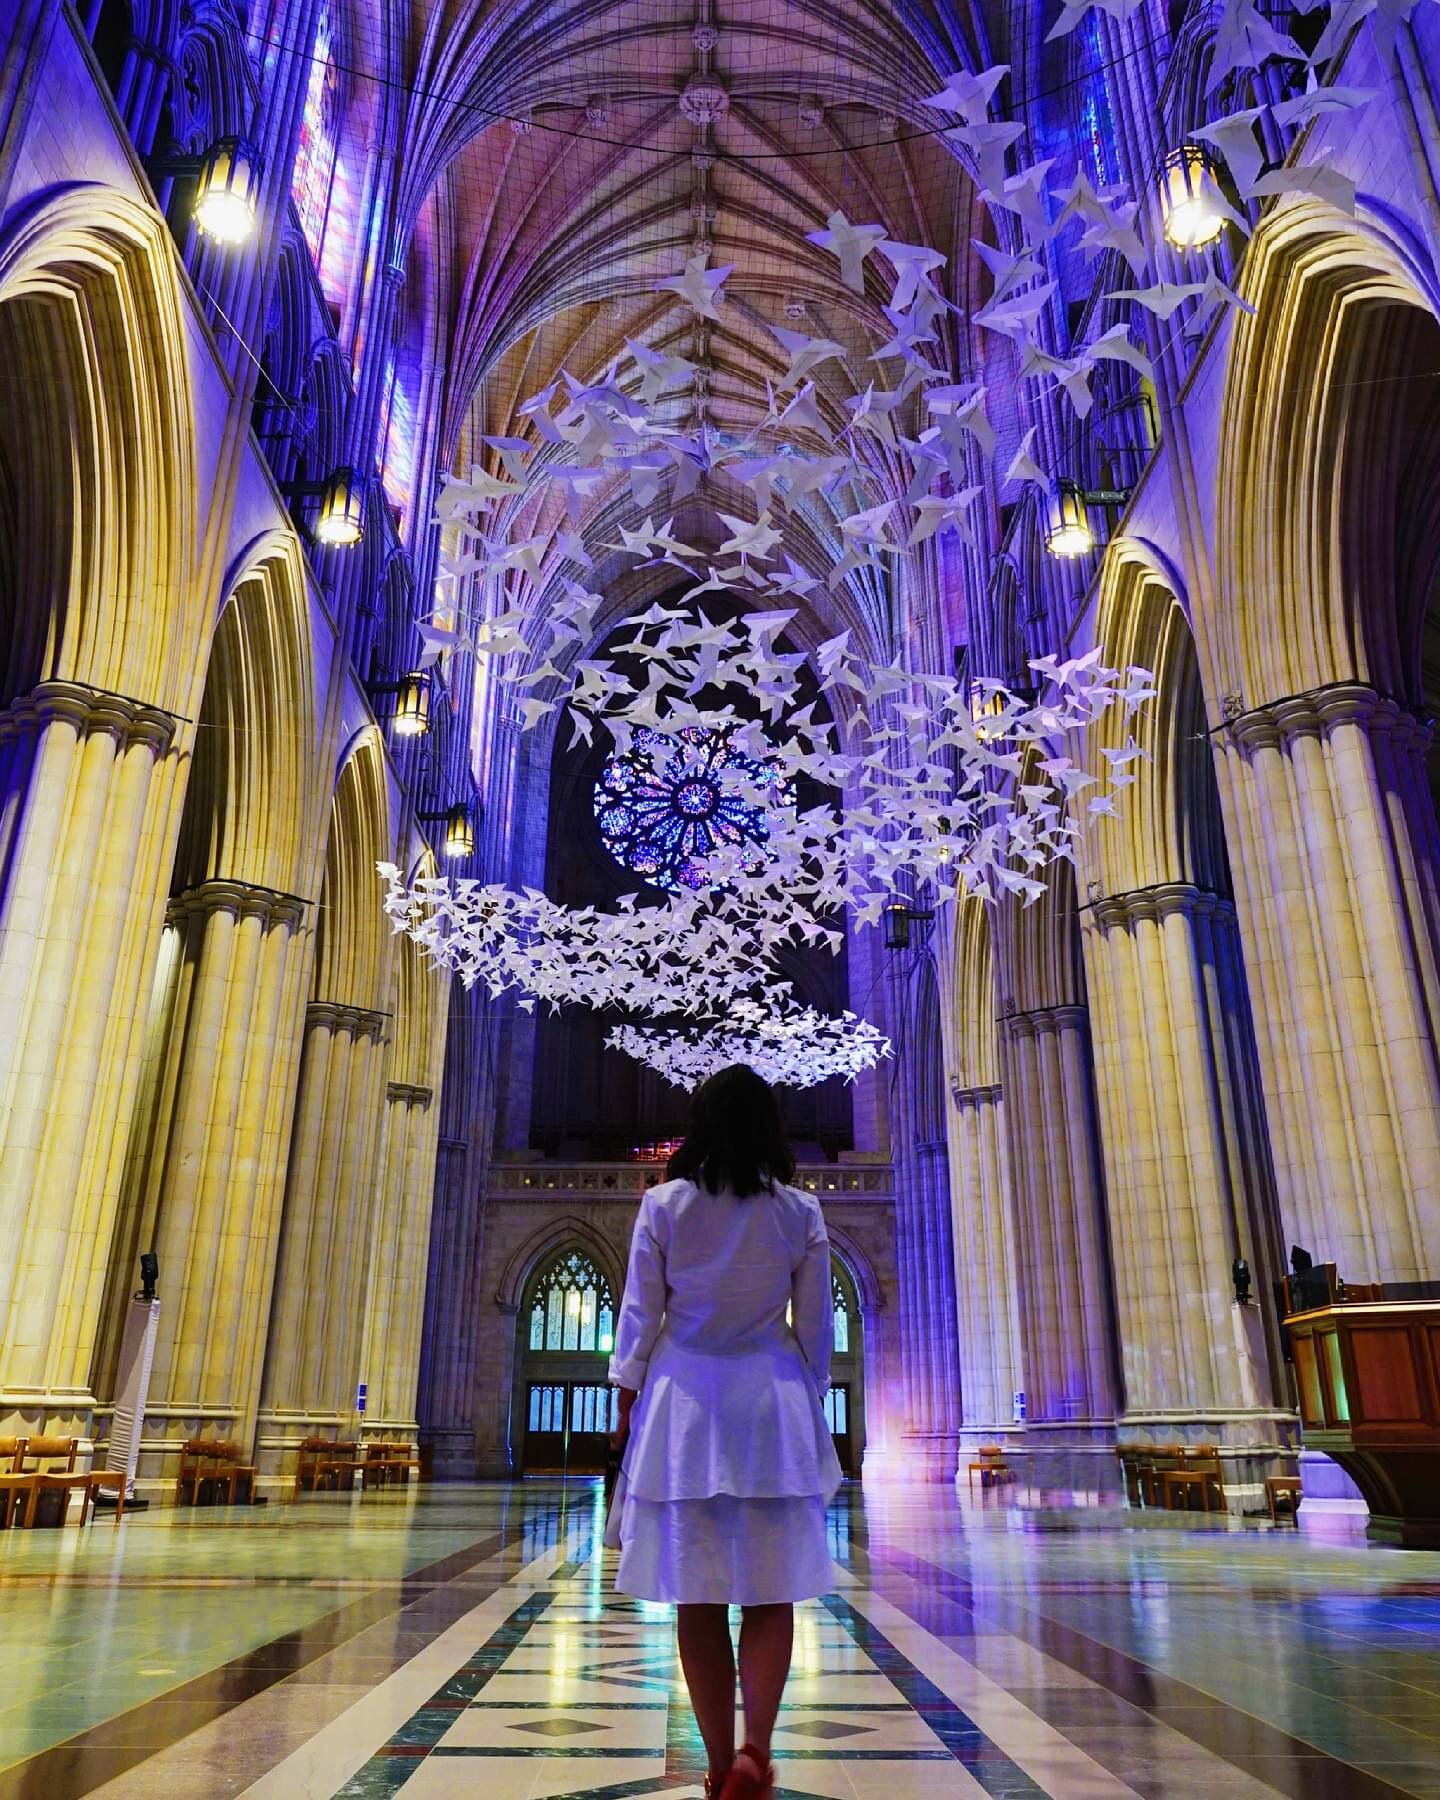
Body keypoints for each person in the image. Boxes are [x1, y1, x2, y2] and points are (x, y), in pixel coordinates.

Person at [604, 1064, 842, 1800]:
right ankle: (754, 1754)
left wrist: (625, 1396)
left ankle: (714, 1767)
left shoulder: (665, 1206)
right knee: (771, 1594)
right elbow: (817, 1327)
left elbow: (642, 1314)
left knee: (697, 1598)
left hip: (685, 1405)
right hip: (769, 1402)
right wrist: (812, 1396)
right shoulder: (799, 1212)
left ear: (700, 1123)